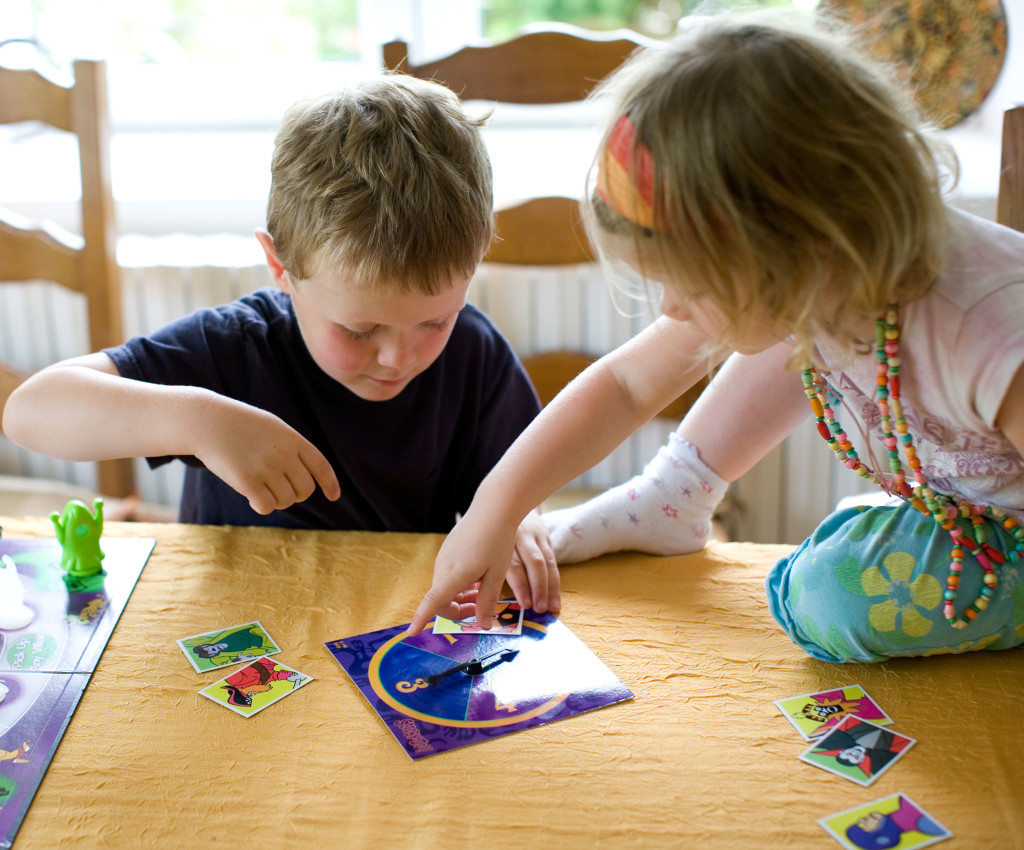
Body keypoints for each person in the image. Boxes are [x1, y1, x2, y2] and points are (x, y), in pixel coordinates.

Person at [408, 12, 1024, 663]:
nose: (673, 307)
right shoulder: (826, 268)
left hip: (1008, 531)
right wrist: (495, 509)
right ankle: (673, 494)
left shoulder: (990, 332)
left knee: (821, 599)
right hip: (950, 491)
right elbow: (623, 385)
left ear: (799, 246)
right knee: (786, 330)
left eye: (693, 288)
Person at [2, 76, 556, 599]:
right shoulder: (234, 349)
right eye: (359, 329)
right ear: (279, 265)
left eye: (436, 321)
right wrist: (199, 422)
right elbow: (29, 411)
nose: (398, 356)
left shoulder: (475, 353)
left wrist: (518, 521)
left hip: (388, 635)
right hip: (240, 629)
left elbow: (514, 488)